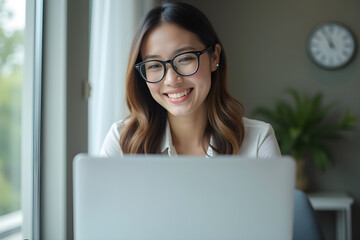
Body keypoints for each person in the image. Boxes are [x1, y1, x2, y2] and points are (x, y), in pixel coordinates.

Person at [100, 2, 281, 158]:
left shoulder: (257, 142)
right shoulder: (121, 142)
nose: (172, 79)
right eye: (154, 65)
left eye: (185, 58)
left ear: (214, 57)